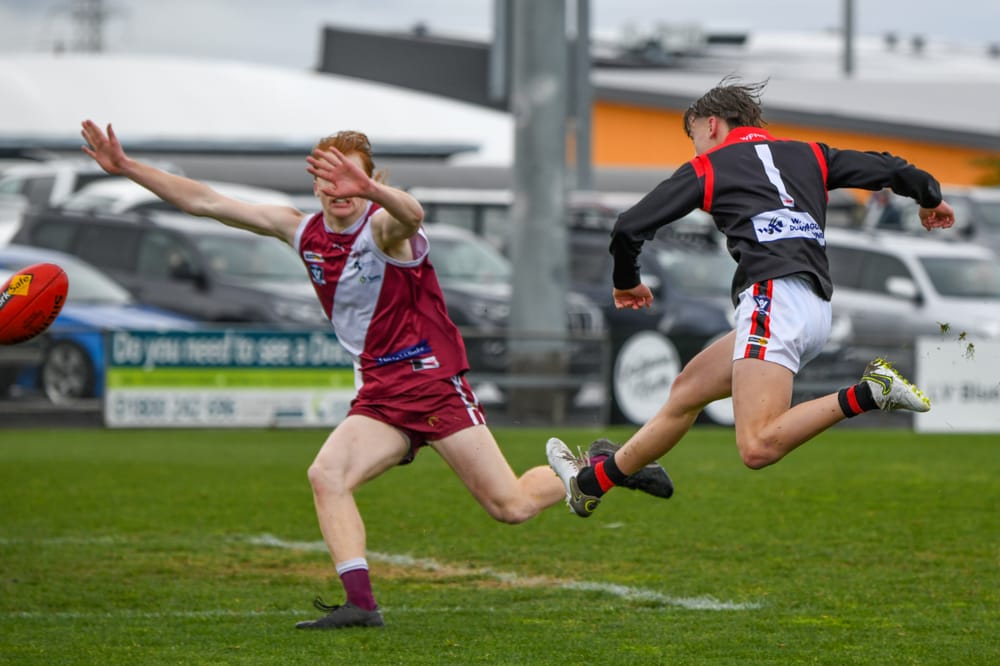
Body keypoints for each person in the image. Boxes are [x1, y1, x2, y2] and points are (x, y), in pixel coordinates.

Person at [79, 121, 675, 629]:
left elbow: (412, 213)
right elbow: (205, 201)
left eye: (351, 179)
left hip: (431, 384)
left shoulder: (384, 228)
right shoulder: (301, 230)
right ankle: (360, 605)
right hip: (380, 395)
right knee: (326, 474)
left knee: (511, 506)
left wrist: (372, 191)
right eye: (329, 178)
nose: (338, 188)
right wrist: (127, 167)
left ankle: (603, 468)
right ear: (316, 183)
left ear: (368, 182)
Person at [545, 78, 956, 518]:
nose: (696, 149)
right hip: (814, 307)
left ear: (712, 124)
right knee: (686, 392)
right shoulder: (810, 154)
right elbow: (892, 169)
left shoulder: (710, 168)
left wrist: (627, 281)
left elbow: (629, 227)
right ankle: (593, 483)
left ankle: (870, 393)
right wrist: (929, 197)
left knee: (757, 446)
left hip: (773, 299)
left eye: (694, 136)